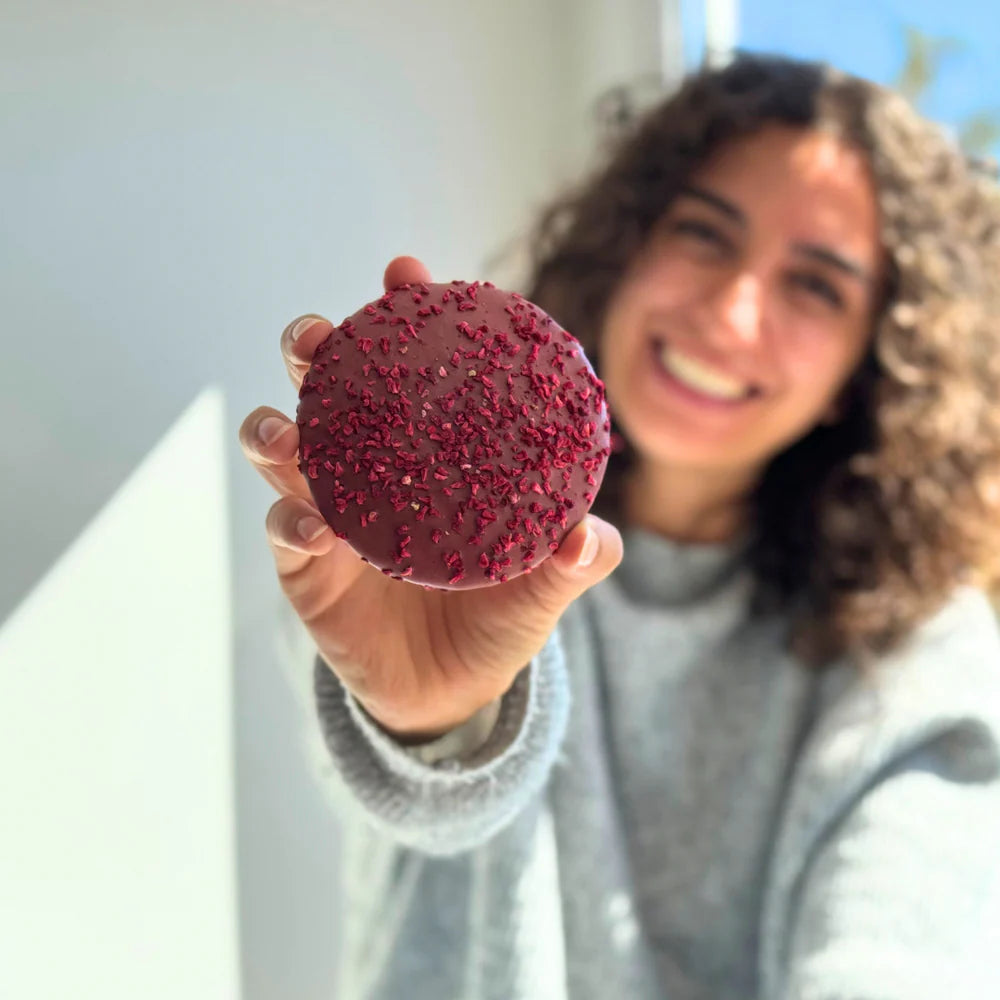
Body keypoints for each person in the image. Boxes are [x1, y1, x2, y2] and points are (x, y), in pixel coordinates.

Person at [238, 54, 1000, 1000]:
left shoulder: (923, 658)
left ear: (870, 365)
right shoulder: (411, 556)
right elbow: (402, 817)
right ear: (628, 246)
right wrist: (436, 728)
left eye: (816, 287)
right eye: (703, 233)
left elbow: (896, 956)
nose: (731, 311)